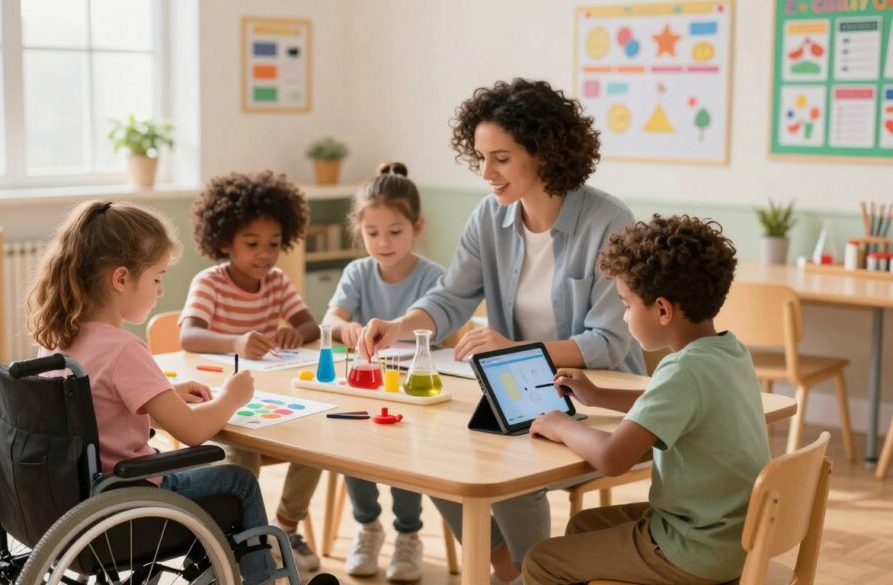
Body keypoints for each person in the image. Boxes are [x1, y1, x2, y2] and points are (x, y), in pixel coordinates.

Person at [358, 78, 644, 585]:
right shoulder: (491, 216)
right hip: (520, 389)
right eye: (481, 158)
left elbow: (609, 343)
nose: (487, 173)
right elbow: (450, 297)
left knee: (509, 464)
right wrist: (398, 325)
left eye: (502, 158)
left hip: (601, 397)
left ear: (545, 152)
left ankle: (536, 575)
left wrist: (515, 349)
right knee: (432, 453)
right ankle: (507, 566)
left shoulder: (608, 222)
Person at [27, 200, 273, 583]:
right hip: (126, 497)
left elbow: (96, 400)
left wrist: (165, 391)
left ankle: (208, 564)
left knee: (201, 474)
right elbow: (192, 432)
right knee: (236, 479)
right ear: (121, 279)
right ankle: (260, 578)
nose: (160, 291)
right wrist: (233, 396)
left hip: (70, 494)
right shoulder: (123, 349)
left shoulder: (58, 340)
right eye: (157, 279)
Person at [524, 214, 770, 585]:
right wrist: (599, 395)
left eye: (626, 304)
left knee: (542, 560)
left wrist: (559, 424)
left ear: (662, 309)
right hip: (734, 537)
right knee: (583, 525)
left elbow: (612, 458)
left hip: (695, 550)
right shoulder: (728, 351)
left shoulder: (682, 371)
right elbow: (679, 405)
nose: (623, 317)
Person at [178, 170, 322, 571]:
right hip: (222, 401)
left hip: (274, 397)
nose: (265, 254)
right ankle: (242, 534)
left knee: (318, 444)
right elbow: (189, 335)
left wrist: (294, 331)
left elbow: (310, 324)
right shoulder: (210, 282)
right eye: (252, 243)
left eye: (274, 244)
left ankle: (287, 527)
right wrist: (235, 341)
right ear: (225, 241)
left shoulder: (276, 282)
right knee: (242, 454)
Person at [322, 162, 444, 581]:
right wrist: (348, 327)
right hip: (368, 389)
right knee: (351, 441)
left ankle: (408, 536)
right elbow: (330, 321)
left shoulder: (434, 277)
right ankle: (367, 526)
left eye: (395, 232)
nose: (383, 242)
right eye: (372, 234)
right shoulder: (358, 272)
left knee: (403, 452)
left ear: (417, 226)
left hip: (414, 394)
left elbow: (440, 327)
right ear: (360, 231)